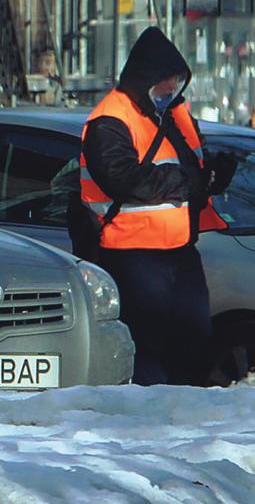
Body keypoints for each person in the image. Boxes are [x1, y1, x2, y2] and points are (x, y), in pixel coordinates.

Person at [79, 26, 237, 386]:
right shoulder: (111, 119)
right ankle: (153, 417)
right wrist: (190, 181)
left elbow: (188, 170)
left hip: (178, 249)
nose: (172, 90)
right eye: (165, 83)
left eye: (177, 82)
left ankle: (183, 405)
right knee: (147, 344)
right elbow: (125, 179)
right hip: (133, 252)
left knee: (192, 336)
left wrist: (214, 176)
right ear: (144, 80)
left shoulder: (168, 113)